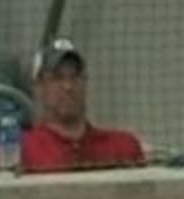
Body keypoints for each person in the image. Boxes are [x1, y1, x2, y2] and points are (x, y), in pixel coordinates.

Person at [21, 39, 148, 173]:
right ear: (39, 87)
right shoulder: (24, 150)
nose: (68, 86)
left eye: (75, 77)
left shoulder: (124, 148)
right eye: (57, 78)